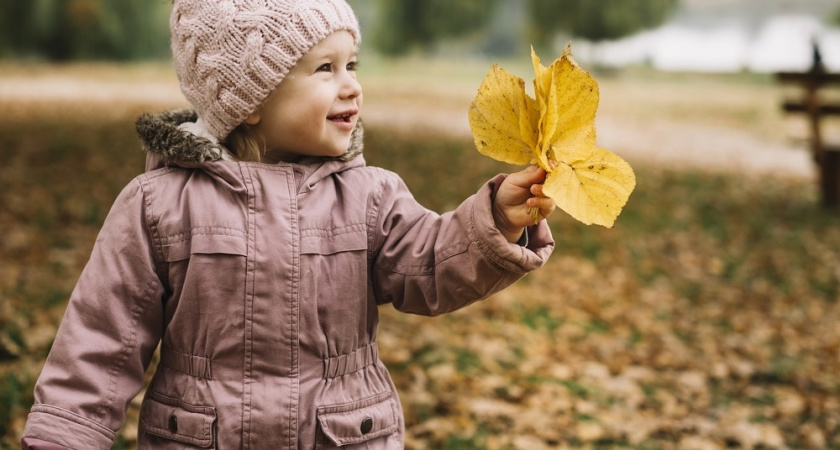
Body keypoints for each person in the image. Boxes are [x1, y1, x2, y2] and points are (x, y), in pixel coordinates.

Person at [21, 0, 555, 448]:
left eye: (352, 65)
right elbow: (101, 341)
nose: (351, 87)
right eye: (326, 69)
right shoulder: (160, 206)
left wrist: (496, 220)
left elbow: (432, 266)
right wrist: (63, 435)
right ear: (251, 101)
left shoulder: (369, 197)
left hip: (342, 434)